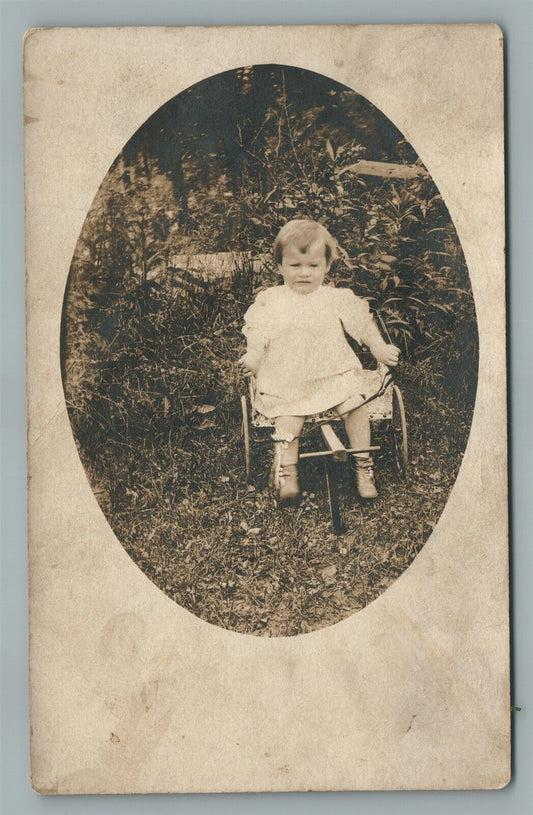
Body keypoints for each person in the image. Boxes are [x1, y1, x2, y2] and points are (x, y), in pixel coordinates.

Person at [239, 219, 400, 504]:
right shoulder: (272, 300)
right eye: (295, 266)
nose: (304, 273)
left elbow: (362, 324)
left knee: (354, 405)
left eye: (313, 266)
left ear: (326, 266)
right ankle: (288, 473)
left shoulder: (336, 298)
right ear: (279, 266)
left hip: (332, 372)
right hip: (288, 376)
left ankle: (362, 464)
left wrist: (378, 347)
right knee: (289, 416)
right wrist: (253, 357)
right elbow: (257, 332)